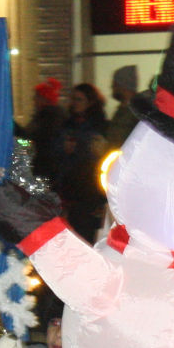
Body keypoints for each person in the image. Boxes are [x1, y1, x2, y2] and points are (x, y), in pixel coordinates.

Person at [54, 82, 111, 241]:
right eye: (73, 99)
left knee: (86, 235)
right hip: (69, 189)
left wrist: (79, 146)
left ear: (90, 102)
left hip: (89, 190)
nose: (74, 103)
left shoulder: (100, 125)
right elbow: (55, 151)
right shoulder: (68, 124)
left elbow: (99, 153)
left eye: (79, 99)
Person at [103, 64, 143, 148]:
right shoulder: (123, 110)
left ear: (123, 86)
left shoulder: (136, 112)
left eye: (115, 84)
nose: (112, 87)